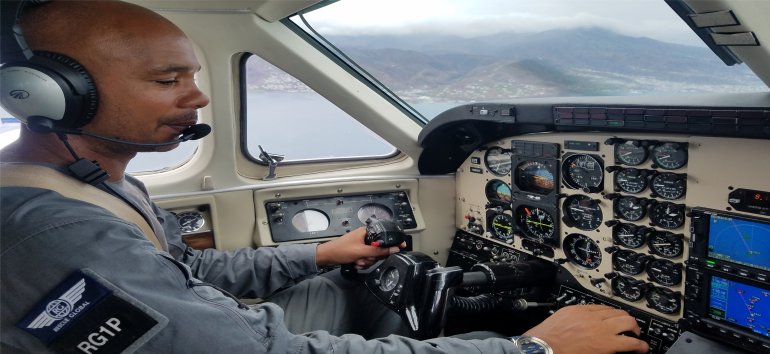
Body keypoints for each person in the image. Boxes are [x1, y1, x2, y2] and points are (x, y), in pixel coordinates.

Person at [0, 1, 650, 353]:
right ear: (53, 94)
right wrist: (533, 351)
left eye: (194, 76)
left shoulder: (100, 181)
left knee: (355, 284)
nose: (197, 100)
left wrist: (320, 251)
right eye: (168, 81)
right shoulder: (51, 231)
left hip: (214, 326)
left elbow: (189, 278)